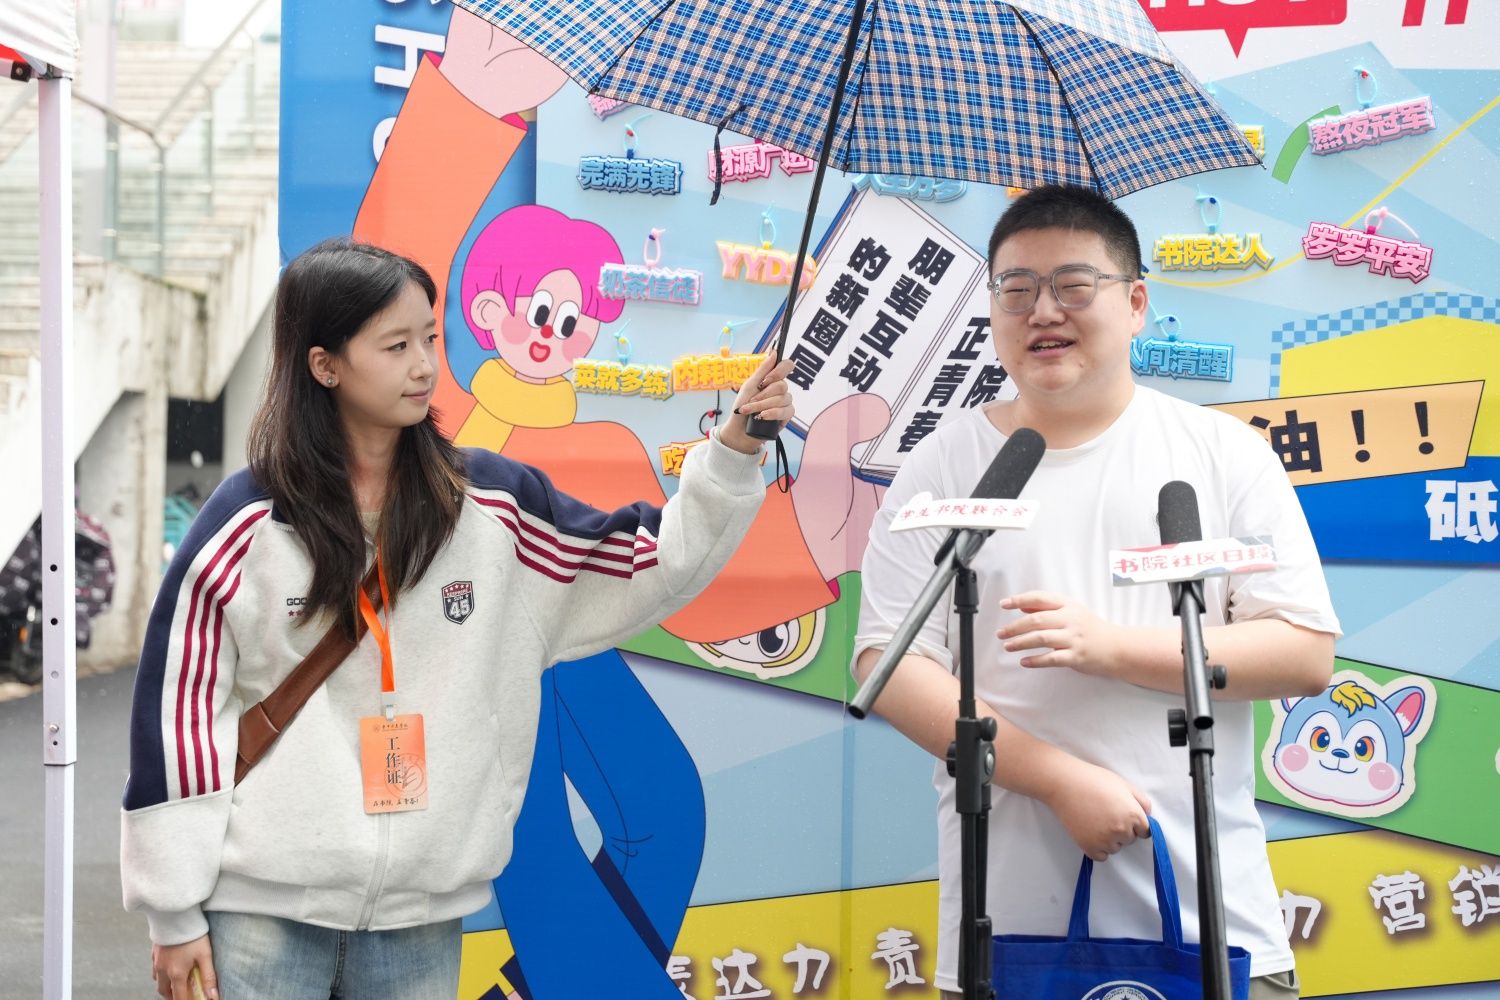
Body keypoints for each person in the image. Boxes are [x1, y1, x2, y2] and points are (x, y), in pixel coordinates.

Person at [120, 238, 796, 1000]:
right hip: (259, 915)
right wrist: (173, 912)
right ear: (324, 365)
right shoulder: (247, 522)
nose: (424, 366)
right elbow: (179, 715)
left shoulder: (497, 509)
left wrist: (735, 450)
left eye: (430, 339)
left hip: (421, 922)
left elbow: (655, 562)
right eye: (396, 346)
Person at [853, 185, 1340, 1000]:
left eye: (1074, 286)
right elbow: (891, 665)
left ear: (1136, 303)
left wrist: (1112, 649)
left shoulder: (1222, 453)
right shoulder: (945, 463)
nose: (1043, 311)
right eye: (1016, 290)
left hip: (1213, 928)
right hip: (1007, 931)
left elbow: (1301, 652)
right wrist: (1056, 779)